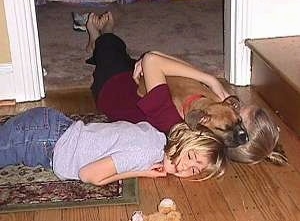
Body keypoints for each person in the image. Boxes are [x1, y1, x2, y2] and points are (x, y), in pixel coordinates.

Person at [85, 12, 288, 166]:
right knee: (133, 61)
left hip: (113, 90)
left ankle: (100, 35)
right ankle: (104, 41)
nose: (234, 105)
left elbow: (153, 59)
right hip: (145, 83)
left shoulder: (174, 117)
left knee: (111, 50)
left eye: (238, 115)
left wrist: (210, 79)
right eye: (239, 107)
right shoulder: (209, 113)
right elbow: (173, 69)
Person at [0, 107, 226, 186]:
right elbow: (88, 175)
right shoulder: (144, 153)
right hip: (42, 140)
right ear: (184, 140)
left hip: (51, 128)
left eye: (194, 170)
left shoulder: (156, 137)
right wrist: (142, 173)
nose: (185, 168)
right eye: (191, 156)